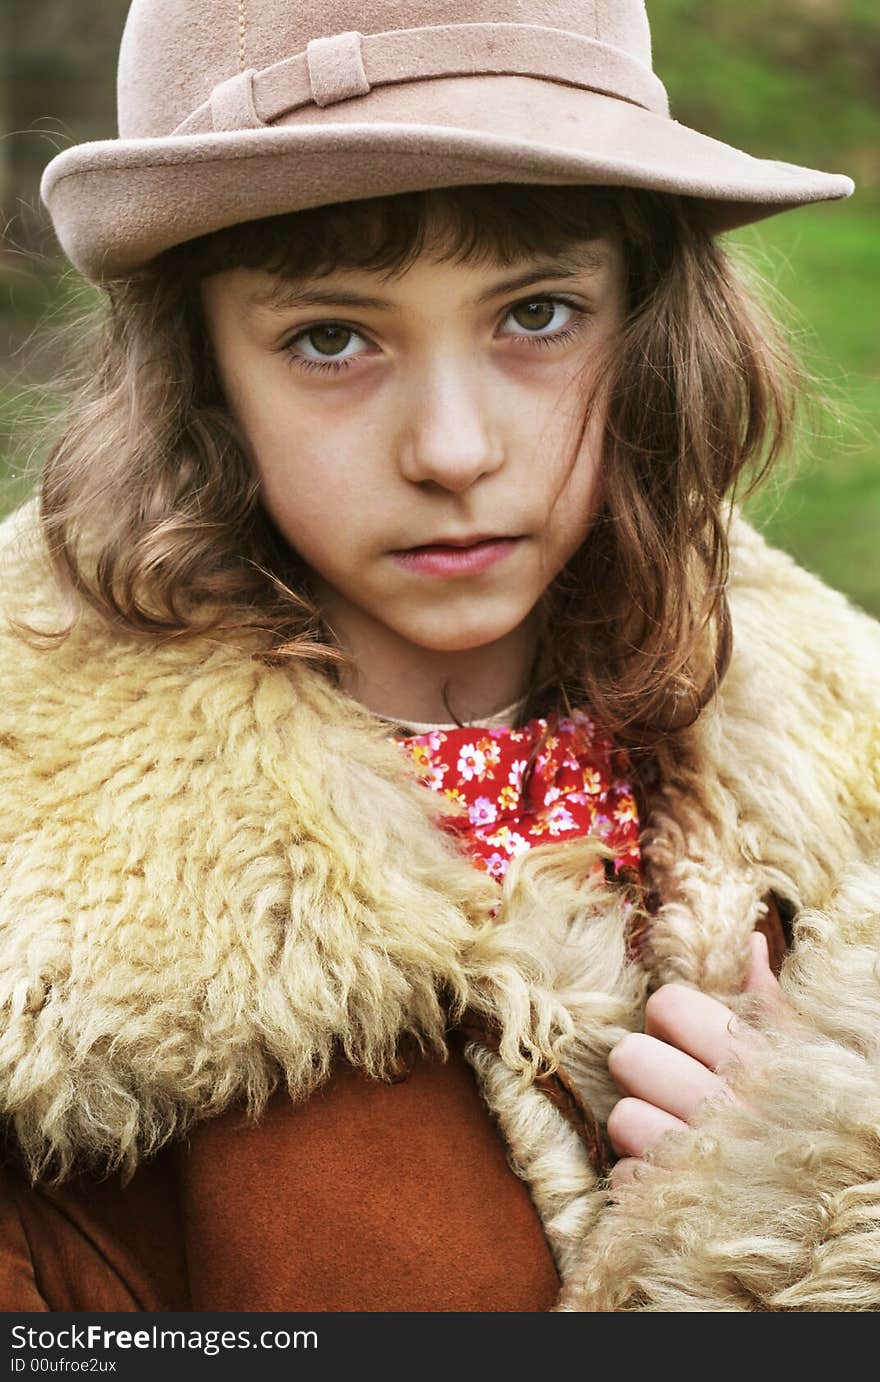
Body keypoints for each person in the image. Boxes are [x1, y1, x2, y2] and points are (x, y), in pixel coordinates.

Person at [0, 0, 877, 1314]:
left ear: (646, 322)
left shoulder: (844, 765)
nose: (455, 449)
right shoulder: (49, 946)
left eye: (535, 314)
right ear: (201, 375)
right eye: (331, 339)